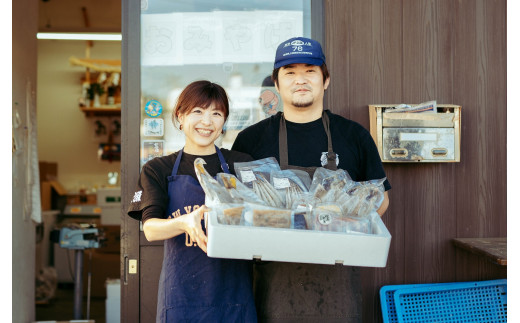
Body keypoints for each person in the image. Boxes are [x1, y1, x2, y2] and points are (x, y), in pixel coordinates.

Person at [232, 37, 391, 322]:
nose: (300, 79)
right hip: (273, 282)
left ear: (325, 79)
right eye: (290, 72)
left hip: (338, 280)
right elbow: (237, 206)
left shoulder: (354, 135)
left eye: (310, 70)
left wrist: (338, 222)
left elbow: (380, 200)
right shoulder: (250, 140)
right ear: (277, 84)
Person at [127, 80, 257, 323]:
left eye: (216, 113)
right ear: (180, 116)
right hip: (182, 300)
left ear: (224, 121)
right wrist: (185, 222)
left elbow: (260, 219)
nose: (207, 122)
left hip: (234, 299)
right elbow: (151, 229)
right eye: (198, 111)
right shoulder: (158, 168)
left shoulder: (242, 164)